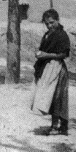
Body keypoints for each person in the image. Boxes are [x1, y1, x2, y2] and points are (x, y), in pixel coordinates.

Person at [30, 8, 70, 136]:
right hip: (48, 68)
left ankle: (60, 127)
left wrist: (46, 55)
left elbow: (63, 54)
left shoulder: (62, 35)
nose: (49, 25)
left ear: (57, 20)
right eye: (47, 23)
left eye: (52, 22)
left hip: (57, 68)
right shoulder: (47, 35)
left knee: (58, 97)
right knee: (50, 96)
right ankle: (56, 125)